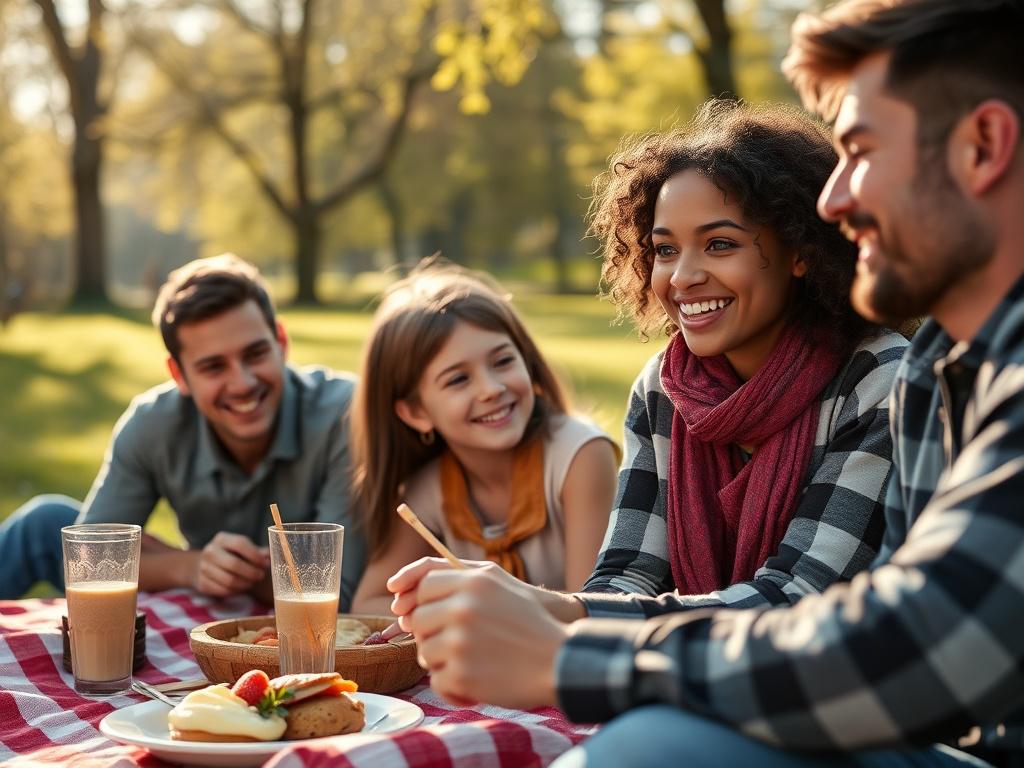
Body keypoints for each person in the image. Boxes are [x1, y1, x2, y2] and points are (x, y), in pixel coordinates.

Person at [386, 1, 1024, 766]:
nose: (835, 200)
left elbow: (904, 640)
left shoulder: (892, 379)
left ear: (983, 146)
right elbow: (635, 573)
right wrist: (558, 609)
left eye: (861, 151)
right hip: (868, 718)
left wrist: (570, 655)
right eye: (662, 249)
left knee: (646, 746)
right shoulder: (939, 373)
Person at [0, 254, 367, 606]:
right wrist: (189, 565)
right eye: (213, 367)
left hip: (297, 612)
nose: (241, 383)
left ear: (281, 343)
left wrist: (233, 572)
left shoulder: (347, 413)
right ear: (179, 375)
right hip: (206, 595)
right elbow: (89, 559)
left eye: (255, 354)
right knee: (44, 522)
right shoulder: (151, 423)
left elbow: (336, 589)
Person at [349, 260, 619, 614]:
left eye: (503, 361)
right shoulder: (428, 490)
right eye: (458, 380)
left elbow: (593, 612)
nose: (492, 388)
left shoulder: (580, 457)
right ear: (416, 412)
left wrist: (480, 605)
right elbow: (368, 605)